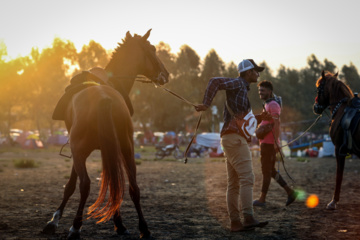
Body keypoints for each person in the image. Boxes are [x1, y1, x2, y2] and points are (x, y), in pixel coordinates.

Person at [195, 59, 270, 232]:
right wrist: (206, 104)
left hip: (230, 139)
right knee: (247, 178)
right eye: (255, 71)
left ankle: (236, 222)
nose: (258, 74)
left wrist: (260, 118)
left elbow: (243, 119)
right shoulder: (237, 83)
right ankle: (248, 217)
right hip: (235, 139)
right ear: (248, 72)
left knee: (234, 183)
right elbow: (215, 81)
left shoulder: (241, 88)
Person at [253, 80, 297, 207]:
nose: (260, 92)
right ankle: (290, 192)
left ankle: (262, 199)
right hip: (265, 142)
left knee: (266, 171)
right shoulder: (267, 105)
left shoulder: (273, 105)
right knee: (271, 171)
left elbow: (277, 124)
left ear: (269, 91)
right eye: (259, 90)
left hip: (269, 143)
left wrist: (275, 143)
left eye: (263, 90)